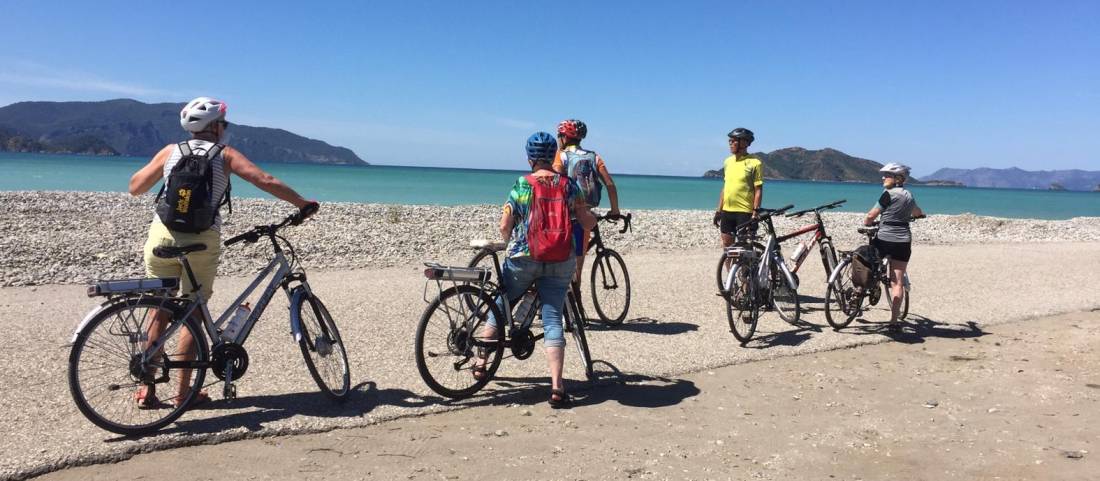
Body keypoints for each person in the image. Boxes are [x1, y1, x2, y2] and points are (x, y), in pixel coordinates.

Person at [128, 96, 316, 408]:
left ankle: (147, 389)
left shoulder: (170, 152)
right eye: (223, 123)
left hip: (162, 236)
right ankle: (184, 392)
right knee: (192, 310)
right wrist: (301, 203)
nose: (225, 128)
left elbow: (135, 187)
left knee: (158, 310)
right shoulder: (224, 155)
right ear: (213, 127)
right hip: (202, 240)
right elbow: (264, 180)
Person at [476, 131, 596, 408]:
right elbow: (587, 222)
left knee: (501, 304)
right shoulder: (568, 186)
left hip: (523, 258)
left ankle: (481, 363)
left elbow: (505, 226)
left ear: (529, 157)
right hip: (559, 259)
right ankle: (557, 387)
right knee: (553, 318)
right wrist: (590, 217)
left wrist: (509, 244)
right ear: (553, 154)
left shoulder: (521, 184)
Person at [552, 119, 620, 286]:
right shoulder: (594, 157)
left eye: (559, 136)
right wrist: (615, 210)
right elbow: (610, 184)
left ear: (564, 138)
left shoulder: (560, 156)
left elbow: (555, 183)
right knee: (577, 267)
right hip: (585, 216)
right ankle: (576, 302)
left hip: (563, 216)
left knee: (555, 260)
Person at [864, 162, 924, 324]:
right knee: (897, 282)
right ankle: (894, 321)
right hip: (903, 241)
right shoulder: (909, 196)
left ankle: (865, 288)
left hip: (884, 239)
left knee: (868, 263)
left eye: (887, 175)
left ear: (898, 178)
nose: (883, 177)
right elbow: (917, 212)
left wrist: (867, 223)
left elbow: (871, 215)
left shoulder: (888, 194)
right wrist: (920, 215)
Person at [714, 128, 763, 247]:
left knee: (743, 247)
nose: (730, 143)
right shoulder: (727, 162)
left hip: (745, 212)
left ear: (744, 143)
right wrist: (718, 210)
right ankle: (730, 267)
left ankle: (746, 266)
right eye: (729, 141)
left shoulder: (755, 163)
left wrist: (755, 213)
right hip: (727, 211)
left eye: (733, 141)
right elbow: (725, 187)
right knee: (727, 245)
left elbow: (758, 190)